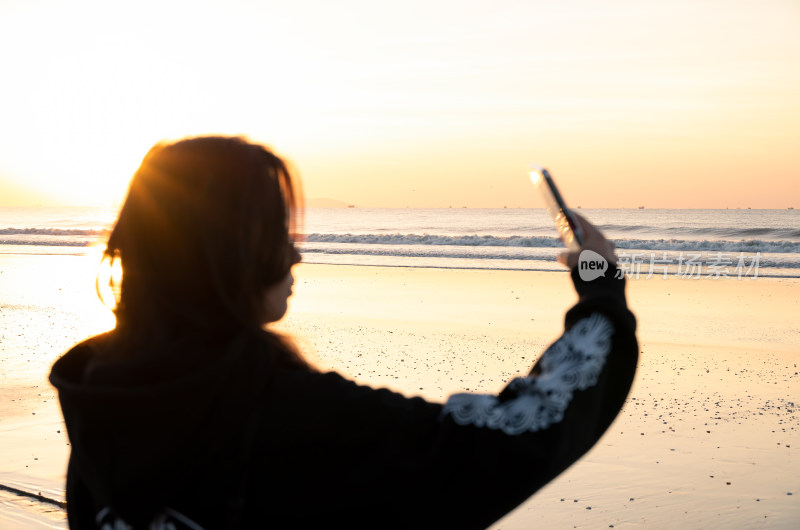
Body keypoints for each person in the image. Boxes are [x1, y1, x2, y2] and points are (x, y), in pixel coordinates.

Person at [50, 136, 637, 529]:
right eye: (279, 232)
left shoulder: (101, 396)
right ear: (226, 254)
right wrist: (600, 284)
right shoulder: (285, 414)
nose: (295, 255)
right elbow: (517, 433)